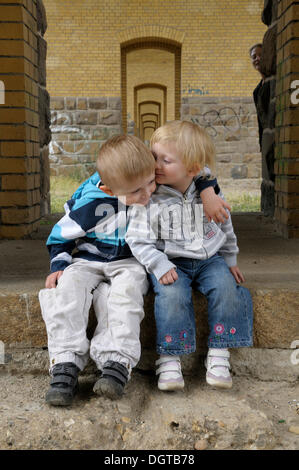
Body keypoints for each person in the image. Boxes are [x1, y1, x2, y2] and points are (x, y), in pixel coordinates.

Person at [39, 134, 225, 406]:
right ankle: (65, 364)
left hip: (130, 261)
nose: (148, 193)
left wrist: (208, 192)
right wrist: (60, 262)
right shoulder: (91, 203)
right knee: (65, 290)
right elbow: (61, 234)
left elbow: (197, 169)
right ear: (110, 192)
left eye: (151, 182)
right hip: (88, 259)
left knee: (125, 294)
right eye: (136, 192)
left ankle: (116, 363)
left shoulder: (150, 181)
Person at [126, 121, 253, 391]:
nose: (156, 165)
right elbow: (136, 239)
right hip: (169, 261)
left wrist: (230, 260)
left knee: (228, 289)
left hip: (210, 259)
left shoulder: (210, 193)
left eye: (166, 160)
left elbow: (225, 226)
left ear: (193, 169)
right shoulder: (149, 196)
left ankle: (220, 353)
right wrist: (158, 264)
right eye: (154, 156)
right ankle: (169, 358)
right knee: (172, 295)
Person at [250, 43, 266, 151]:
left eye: (261, 55)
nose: (257, 59)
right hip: (266, 142)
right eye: (254, 57)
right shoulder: (257, 91)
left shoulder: (275, 82)